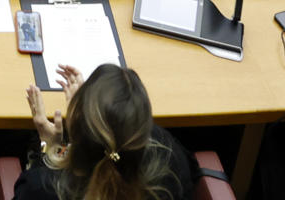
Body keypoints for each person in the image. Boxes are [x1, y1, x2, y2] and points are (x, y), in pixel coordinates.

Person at [17, 62, 196, 200]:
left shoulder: (43, 188)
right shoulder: (169, 161)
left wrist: (50, 148)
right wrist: (87, 115)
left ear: (76, 126)